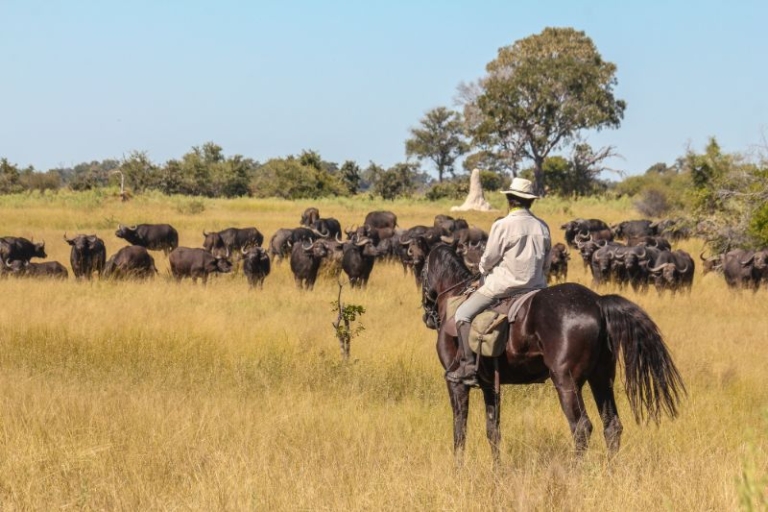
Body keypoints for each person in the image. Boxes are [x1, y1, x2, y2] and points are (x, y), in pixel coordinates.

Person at [445, 177, 552, 386]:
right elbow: (547, 263)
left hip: (502, 288)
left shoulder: (503, 225)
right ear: (530, 202)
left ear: (510, 200)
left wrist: (483, 269)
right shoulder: (542, 226)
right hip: (538, 289)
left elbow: (489, 258)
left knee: (462, 314)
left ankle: (468, 367)